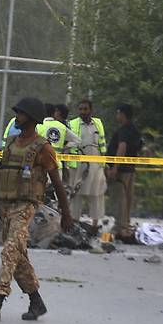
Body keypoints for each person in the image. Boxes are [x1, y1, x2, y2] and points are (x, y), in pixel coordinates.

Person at [0, 97, 72, 322]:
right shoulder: (10, 143)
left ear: (31, 118)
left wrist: (67, 213)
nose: (16, 117)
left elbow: (57, 182)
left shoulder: (43, 148)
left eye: (20, 114)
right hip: (4, 205)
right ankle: (36, 301)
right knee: (18, 256)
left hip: (25, 206)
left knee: (10, 250)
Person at [68, 99, 107, 231]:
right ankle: (74, 222)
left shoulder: (98, 123)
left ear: (91, 110)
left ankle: (95, 224)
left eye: (85, 109)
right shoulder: (72, 124)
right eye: (80, 109)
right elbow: (68, 143)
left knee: (96, 193)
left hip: (96, 162)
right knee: (76, 193)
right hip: (78, 163)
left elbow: (102, 143)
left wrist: (104, 163)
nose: (82, 112)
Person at [106, 103, 141, 241]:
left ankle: (121, 229)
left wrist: (115, 167)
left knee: (119, 199)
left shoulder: (125, 130)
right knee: (126, 199)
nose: (117, 116)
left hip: (121, 171)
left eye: (118, 113)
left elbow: (122, 147)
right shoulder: (134, 130)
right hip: (130, 169)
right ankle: (124, 226)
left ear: (122, 114)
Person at [36, 103, 81, 177]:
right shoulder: (61, 127)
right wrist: (65, 147)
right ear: (54, 113)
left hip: (41, 166)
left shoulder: (38, 125)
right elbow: (78, 141)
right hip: (57, 167)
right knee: (57, 188)